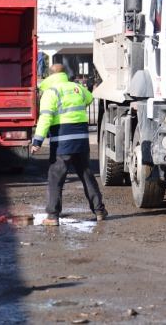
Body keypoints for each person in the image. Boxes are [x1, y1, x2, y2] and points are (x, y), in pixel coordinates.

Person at [32, 64, 107, 226]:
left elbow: (45, 118)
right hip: (81, 140)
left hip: (62, 142)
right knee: (86, 175)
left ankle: (52, 216)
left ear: (49, 76)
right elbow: (89, 98)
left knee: (56, 178)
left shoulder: (51, 92)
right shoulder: (77, 88)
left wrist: (37, 141)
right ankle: (99, 210)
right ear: (65, 74)